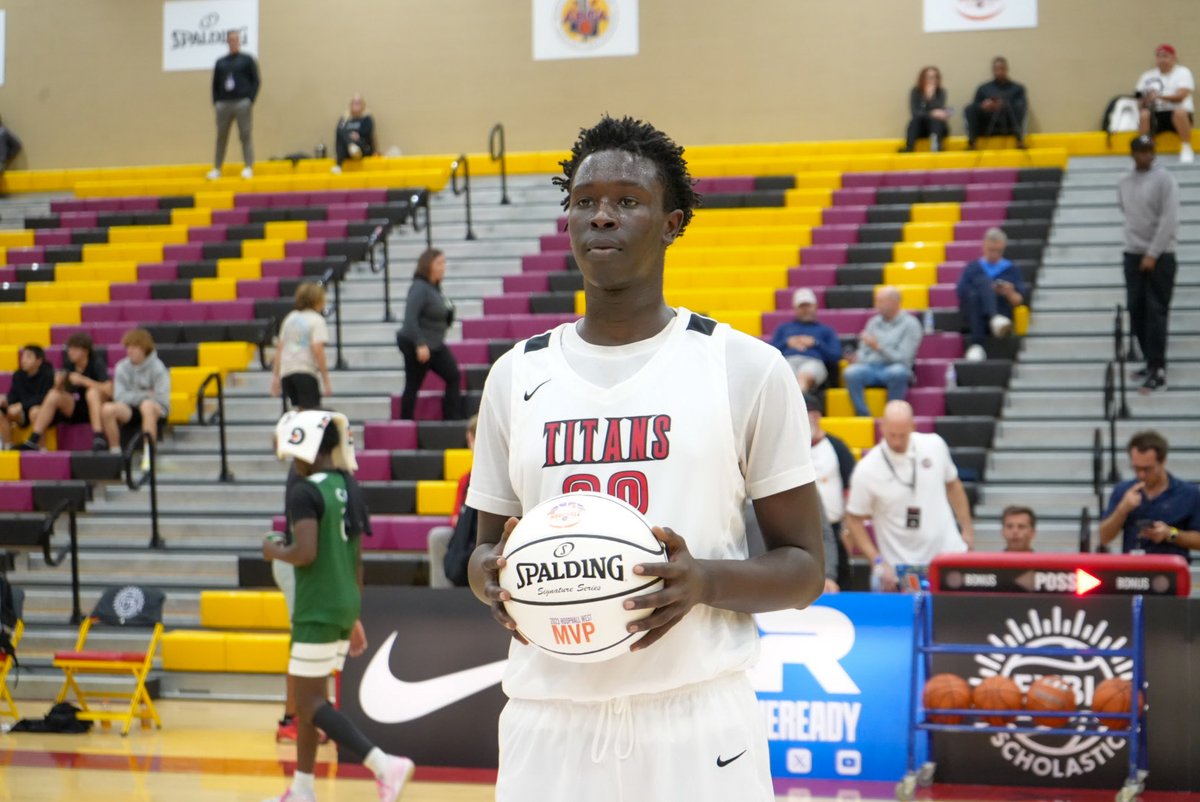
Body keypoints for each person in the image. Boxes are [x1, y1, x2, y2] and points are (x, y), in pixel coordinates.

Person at [465, 115, 824, 802]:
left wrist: (701, 582)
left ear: (672, 222)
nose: (602, 216)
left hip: (698, 720)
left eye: (627, 201)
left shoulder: (744, 367)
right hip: (548, 720)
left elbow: (805, 570)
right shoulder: (517, 374)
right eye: (584, 200)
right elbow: (481, 560)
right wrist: (494, 578)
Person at [262, 409, 414, 802]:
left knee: (308, 702)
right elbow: (356, 559)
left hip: (316, 608)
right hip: (343, 603)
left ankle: (384, 764)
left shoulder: (303, 490)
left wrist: (273, 550)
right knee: (317, 701)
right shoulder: (347, 485)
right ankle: (303, 789)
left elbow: (306, 552)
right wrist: (354, 615)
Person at [843, 401, 974, 592]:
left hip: (948, 552)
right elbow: (853, 519)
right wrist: (876, 559)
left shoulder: (934, 444)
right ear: (882, 428)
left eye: (902, 435)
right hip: (900, 566)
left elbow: (953, 485)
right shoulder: (867, 469)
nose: (896, 442)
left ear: (913, 426)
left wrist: (967, 530)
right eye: (891, 435)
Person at [1118, 135, 1180, 392]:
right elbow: (1125, 210)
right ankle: (1147, 359)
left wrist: (1153, 253)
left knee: (1156, 312)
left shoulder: (1165, 179)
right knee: (1136, 309)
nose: (1146, 155)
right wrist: (1138, 249)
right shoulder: (1123, 181)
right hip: (1133, 253)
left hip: (1161, 255)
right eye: (1141, 151)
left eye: (1149, 151)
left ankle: (1159, 368)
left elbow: (1169, 219)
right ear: (1133, 154)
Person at [1098, 430, 1200, 559]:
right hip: (1133, 571)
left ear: (1163, 462)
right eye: (1136, 468)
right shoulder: (1123, 490)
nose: (1141, 474)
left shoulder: (1188, 493)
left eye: (1147, 469)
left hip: (1170, 571)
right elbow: (1104, 537)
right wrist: (1122, 509)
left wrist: (1170, 534)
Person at [396, 249, 464, 421]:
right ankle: (405, 424)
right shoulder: (419, 288)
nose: (443, 267)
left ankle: (452, 419)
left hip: (435, 344)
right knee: (412, 386)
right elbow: (410, 320)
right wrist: (420, 343)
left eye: (444, 263)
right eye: (439, 263)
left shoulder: (435, 290)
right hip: (418, 345)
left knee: (453, 375)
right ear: (428, 266)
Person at [16, 333, 112, 452]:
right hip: (74, 407)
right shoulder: (68, 364)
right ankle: (33, 439)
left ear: (85, 351)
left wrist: (84, 380)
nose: (70, 352)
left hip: (95, 407)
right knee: (53, 394)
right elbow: (63, 392)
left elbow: (109, 390)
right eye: (69, 349)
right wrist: (58, 384)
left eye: (74, 349)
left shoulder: (96, 363)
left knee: (92, 393)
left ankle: (99, 436)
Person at [841, 286, 923, 417]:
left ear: (894, 302)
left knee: (899, 372)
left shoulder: (911, 324)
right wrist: (857, 359)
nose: (876, 305)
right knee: (851, 372)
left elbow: (904, 358)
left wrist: (879, 347)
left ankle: (892, 414)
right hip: (870, 367)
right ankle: (863, 415)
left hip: (895, 367)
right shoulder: (873, 322)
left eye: (880, 301)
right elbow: (864, 350)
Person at [804, 392, 856, 590]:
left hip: (834, 529)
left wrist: (848, 526)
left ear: (817, 416)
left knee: (838, 581)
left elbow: (852, 486)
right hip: (804, 528)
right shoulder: (792, 448)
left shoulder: (836, 446)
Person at [956, 227, 1027, 362]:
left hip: (1003, 315)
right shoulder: (973, 268)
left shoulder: (1010, 269)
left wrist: (1009, 292)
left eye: (998, 251)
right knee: (979, 288)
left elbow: (1019, 300)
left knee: (981, 287)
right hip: (976, 314)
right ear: (983, 246)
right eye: (991, 250)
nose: (994, 254)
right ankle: (994, 318)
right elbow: (961, 293)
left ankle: (977, 345)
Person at [99, 329, 171, 460]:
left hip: (156, 411)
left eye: (134, 347)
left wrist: (136, 396)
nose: (129, 351)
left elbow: (161, 399)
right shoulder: (121, 367)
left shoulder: (158, 368)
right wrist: (145, 394)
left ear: (144, 348)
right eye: (128, 347)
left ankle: (149, 455)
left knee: (147, 406)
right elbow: (119, 397)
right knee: (107, 409)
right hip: (130, 409)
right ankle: (115, 453)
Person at [427, 415, 478, 588]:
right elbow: (456, 517)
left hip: (487, 538)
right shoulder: (466, 479)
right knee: (438, 536)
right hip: (468, 536)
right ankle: (442, 596)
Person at [207, 30, 260, 180]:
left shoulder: (247, 60)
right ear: (227, 41)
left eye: (236, 39)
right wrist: (216, 102)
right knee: (221, 136)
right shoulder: (221, 62)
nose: (233, 42)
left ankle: (248, 167)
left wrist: (250, 99)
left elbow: (256, 81)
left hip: (242, 103)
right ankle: (217, 168)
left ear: (239, 41)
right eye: (231, 39)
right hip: (223, 104)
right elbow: (215, 84)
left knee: (245, 135)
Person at [272, 282, 332, 411]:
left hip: (287, 372)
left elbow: (280, 349)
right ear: (318, 301)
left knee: (300, 411)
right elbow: (318, 349)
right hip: (305, 371)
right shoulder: (316, 320)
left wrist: (276, 378)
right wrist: (326, 379)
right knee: (311, 413)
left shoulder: (290, 318)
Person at [769, 288, 842, 392]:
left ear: (815, 306)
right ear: (795, 308)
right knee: (785, 375)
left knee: (804, 376)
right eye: (802, 306)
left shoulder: (826, 330)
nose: (805, 310)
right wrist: (786, 343)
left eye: (808, 306)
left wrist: (815, 343)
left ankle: (795, 405)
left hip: (813, 361)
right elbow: (770, 352)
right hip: (788, 360)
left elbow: (836, 355)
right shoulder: (783, 328)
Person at [1136, 44, 1194, 163]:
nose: (1161, 59)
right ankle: (1146, 150)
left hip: (1177, 115)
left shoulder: (1183, 72)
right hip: (1156, 113)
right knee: (1144, 114)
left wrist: (1158, 96)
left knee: (1180, 112)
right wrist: (1145, 100)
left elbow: (1181, 96)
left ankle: (1186, 148)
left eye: (1165, 56)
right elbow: (1138, 99)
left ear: (1173, 58)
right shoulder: (1147, 76)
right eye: (1159, 56)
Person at [964, 56, 1027, 149]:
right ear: (993, 70)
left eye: (1002, 68)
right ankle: (972, 144)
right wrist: (984, 106)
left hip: (1009, 124)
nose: (999, 71)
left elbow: (1022, 106)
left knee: (1019, 105)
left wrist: (1003, 105)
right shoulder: (983, 88)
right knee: (969, 108)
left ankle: (1019, 142)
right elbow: (975, 106)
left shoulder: (1017, 88)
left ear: (1006, 69)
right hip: (987, 124)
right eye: (997, 69)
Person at [0, 345, 54, 449]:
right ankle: (8, 447)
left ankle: (42, 449)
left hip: (42, 411)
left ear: (39, 360)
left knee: (35, 411)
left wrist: (21, 405)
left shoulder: (47, 374)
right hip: (22, 413)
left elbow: (44, 398)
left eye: (28, 357)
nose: (23, 360)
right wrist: (6, 402)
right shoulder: (18, 374)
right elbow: (13, 395)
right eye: (23, 357)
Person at [904, 66, 949, 153]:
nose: (932, 80)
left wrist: (931, 98)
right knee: (915, 120)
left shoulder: (941, 92)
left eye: (934, 77)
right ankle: (909, 147)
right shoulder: (916, 91)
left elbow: (939, 111)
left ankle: (936, 146)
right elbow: (915, 112)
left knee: (936, 121)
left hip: (936, 128)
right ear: (922, 78)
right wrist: (927, 99)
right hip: (920, 128)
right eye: (929, 77)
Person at [332, 94, 378, 174]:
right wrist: (350, 139)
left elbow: (367, 134)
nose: (356, 105)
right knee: (342, 133)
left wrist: (358, 135)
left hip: (362, 148)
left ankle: (350, 151)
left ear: (363, 105)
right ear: (350, 105)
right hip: (346, 150)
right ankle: (351, 147)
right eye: (354, 102)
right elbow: (339, 132)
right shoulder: (344, 119)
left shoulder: (367, 118)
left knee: (350, 137)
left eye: (358, 102)